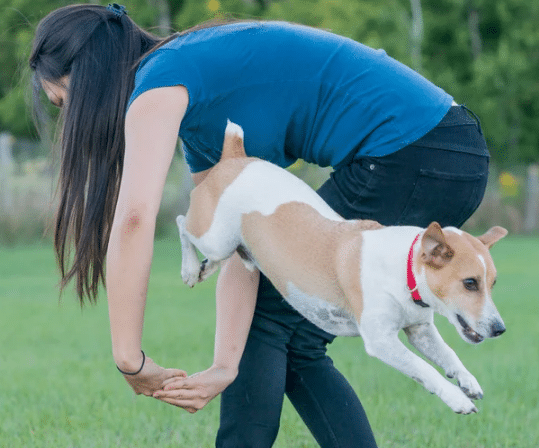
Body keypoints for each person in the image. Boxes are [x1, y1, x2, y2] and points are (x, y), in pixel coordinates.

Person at [30, 4, 490, 448]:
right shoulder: (193, 92)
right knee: (293, 340)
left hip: (415, 150)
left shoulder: (159, 83)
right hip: (442, 149)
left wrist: (129, 359)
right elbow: (247, 245)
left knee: (274, 328)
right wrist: (224, 365)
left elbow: (134, 219)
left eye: (65, 99)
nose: (69, 118)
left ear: (92, 73)